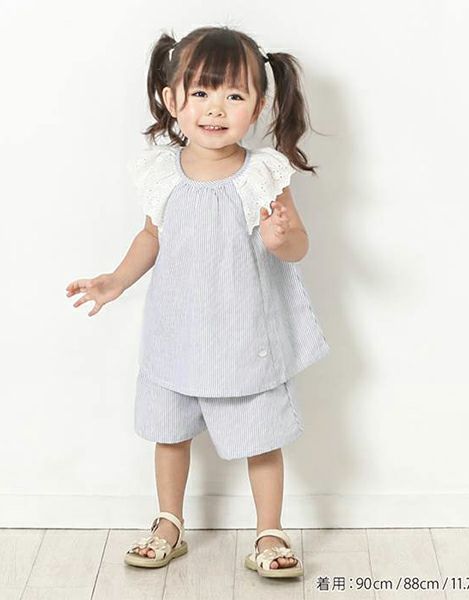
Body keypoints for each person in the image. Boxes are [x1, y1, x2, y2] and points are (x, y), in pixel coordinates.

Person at [65, 25, 330, 579]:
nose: (215, 108)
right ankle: (169, 522)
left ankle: (269, 530)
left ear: (259, 104)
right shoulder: (162, 171)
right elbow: (152, 236)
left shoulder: (262, 173)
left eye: (234, 95)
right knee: (170, 434)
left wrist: (281, 239)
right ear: (171, 99)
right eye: (201, 92)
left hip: (245, 335)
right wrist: (115, 281)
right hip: (177, 331)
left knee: (262, 438)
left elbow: (298, 245)